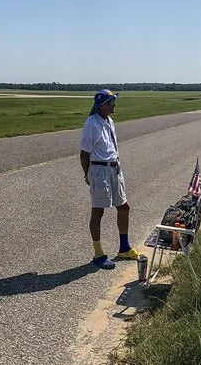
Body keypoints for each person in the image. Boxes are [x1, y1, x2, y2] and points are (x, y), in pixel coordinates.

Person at [80, 90, 137, 269]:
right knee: (98, 212)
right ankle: (98, 253)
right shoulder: (91, 124)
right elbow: (84, 154)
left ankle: (124, 248)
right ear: (101, 105)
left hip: (114, 168)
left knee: (124, 207)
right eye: (111, 102)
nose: (114, 105)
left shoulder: (109, 121)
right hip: (99, 170)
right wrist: (88, 175)